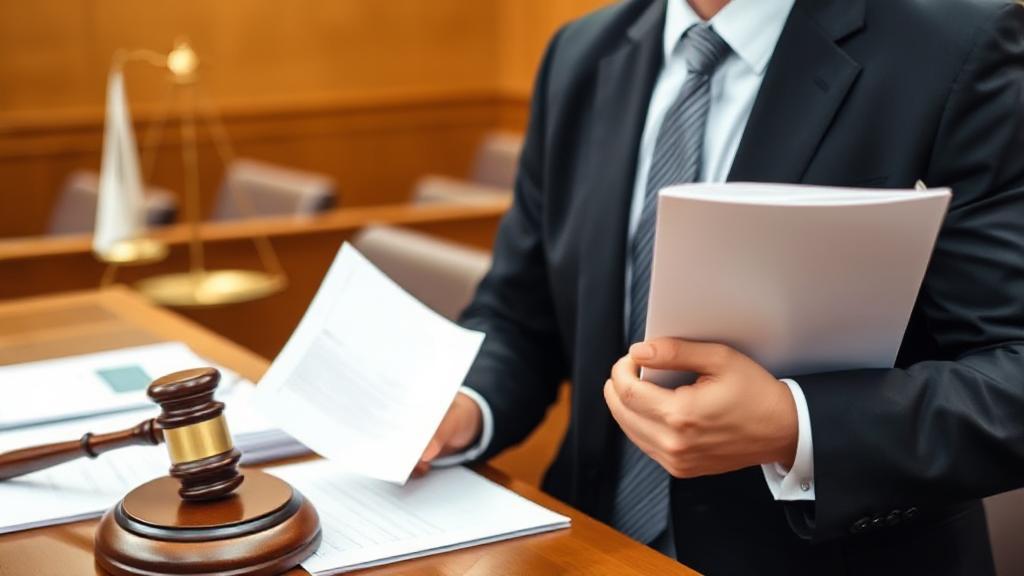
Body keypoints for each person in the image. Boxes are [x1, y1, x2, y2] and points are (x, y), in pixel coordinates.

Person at [418, 0, 1024, 574]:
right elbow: (520, 313)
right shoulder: (580, 53)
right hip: (592, 543)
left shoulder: (957, 47)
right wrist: (466, 404)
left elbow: (1013, 370)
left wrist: (799, 425)